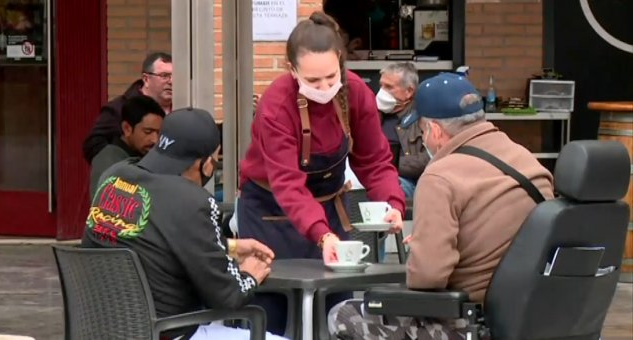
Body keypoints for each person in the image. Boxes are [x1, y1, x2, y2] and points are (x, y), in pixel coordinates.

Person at [328, 73, 555, 339]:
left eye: (422, 130)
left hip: (472, 321)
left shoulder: (440, 176)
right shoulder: (525, 159)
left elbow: (427, 277)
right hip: (533, 316)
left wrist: (423, 247)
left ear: (435, 130)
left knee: (342, 315)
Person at [237, 11, 406, 335]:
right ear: (292, 70)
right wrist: (321, 232)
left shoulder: (355, 92)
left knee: (336, 305)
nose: (325, 87)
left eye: (331, 77)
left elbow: (373, 160)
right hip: (270, 210)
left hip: (327, 206)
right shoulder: (276, 104)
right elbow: (287, 183)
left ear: (341, 62)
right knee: (273, 309)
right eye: (313, 81)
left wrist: (392, 204)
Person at [82, 108, 287, 340]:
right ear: (204, 163)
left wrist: (228, 247)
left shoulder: (114, 176)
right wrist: (250, 275)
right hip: (167, 332)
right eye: (215, 159)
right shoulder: (193, 201)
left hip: (100, 329)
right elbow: (227, 296)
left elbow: (149, 243)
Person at [83, 52, 173, 163]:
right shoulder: (118, 109)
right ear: (146, 79)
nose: (171, 81)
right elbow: (93, 145)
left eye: (174, 76)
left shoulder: (182, 109)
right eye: (164, 76)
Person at [89, 95, 165, 198]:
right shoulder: (108, 160)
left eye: (159, 133)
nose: (155, 140)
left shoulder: (146, 156)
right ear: (127, 129)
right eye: (148, 132)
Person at [376, 62, 429, 198]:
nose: (382, 91)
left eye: (389, 87)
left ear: (409, 91)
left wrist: (390, 165)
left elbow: (429, 158)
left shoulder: (424, 117)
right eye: (381, 85)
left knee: (386, 186)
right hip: (371, 175)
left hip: (406, 180)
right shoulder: (372, 114)